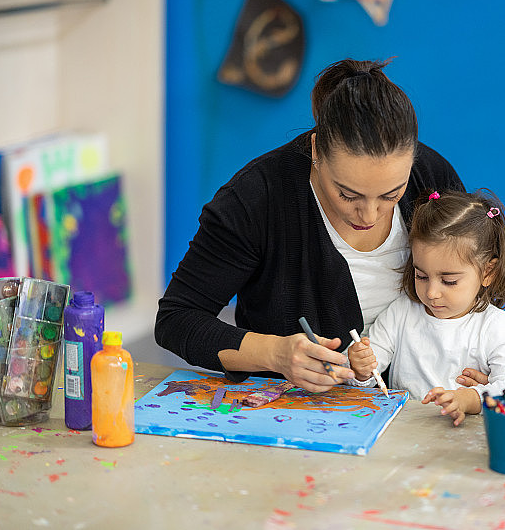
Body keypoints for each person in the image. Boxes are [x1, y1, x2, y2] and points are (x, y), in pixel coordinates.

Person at [154, 58, 465, 393]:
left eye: (391, 194)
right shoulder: (255, 199)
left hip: (428, 404)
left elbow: (476, 278)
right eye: (348, 195)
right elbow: (177, 319)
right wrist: (274, 354)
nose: (370, 216)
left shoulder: (429, 178)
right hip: (301, 415)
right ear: (316, 150)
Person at [347, 189, 505, 426]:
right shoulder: (401, 313)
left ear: (487, 272)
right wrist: (361, 368)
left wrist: (467, 399)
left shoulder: (497, 328)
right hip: (404, 434)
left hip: (467, 440)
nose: (431, 293)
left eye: (449, 281)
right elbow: (369, 375)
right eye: (421, 276)